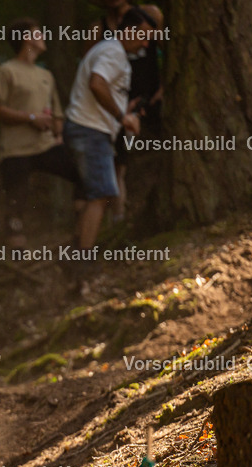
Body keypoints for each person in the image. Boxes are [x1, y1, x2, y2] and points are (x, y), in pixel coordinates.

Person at [64, 7, 153, 289]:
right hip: (90, 131)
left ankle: (75, 256)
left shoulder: (109, 51)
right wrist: (120, 117)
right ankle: (82, 263)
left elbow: (104, 87)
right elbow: (97, 83)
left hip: (90, 129)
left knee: (96, 193)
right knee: (102, 193)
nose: (146, 44)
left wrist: (125, 116)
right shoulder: (112, 52)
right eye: (143, 36)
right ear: (128, 29)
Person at [0, 17, 81, 246]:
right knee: (15, 204)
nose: (44, 37)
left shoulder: (45, 75)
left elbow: (57, 113)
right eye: (39, 33)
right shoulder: (6, 71)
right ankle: (17, 263)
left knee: (83, 175)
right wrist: (30, 118)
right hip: (15, 150)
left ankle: (79, 234)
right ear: (27, 38)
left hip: (46, 146)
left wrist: (58, 134)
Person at [87, 2, 164, 223]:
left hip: (152, 99)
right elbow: (91, 69)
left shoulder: (150, 15)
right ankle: (118, 219)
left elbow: (171, 51)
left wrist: (163, 89)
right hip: (119, 108)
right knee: (117, 165)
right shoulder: (98, 29)